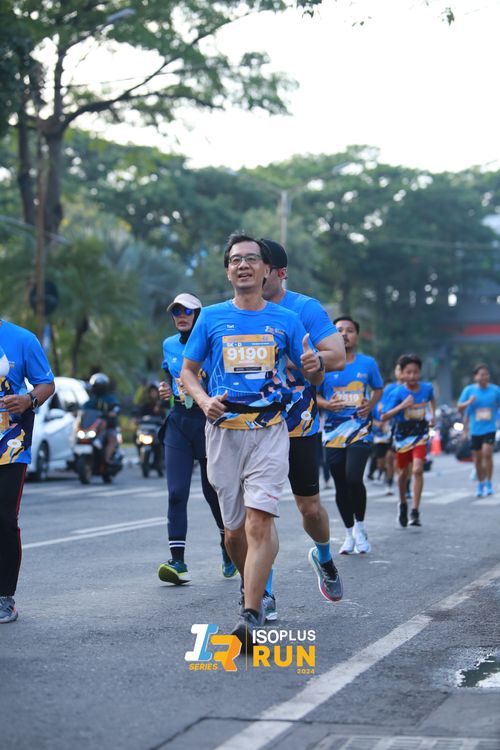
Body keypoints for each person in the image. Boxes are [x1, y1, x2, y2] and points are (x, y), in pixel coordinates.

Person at [181, 233, 328, 650]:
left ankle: (251, 611)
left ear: (266, 270)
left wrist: (314, 366)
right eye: (235, 260)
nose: (242, 265)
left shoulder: (287, 319)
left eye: (250, 259)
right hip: (223, 433)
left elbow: (313, 375)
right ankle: (252, 588)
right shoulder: (210, 318)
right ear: (228, 271)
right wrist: (203, 400)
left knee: (259, 521)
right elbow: (188, 371)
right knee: (233, 534)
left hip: (269, 431)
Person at [259, 239, 345, 613]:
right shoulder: (232, 314)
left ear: (279, 273)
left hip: (300, 425)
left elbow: (337, 355)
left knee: (310, 510)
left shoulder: (304, 308)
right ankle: (262, 593)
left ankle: (323, 557)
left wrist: (305, 360)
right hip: (253, 427)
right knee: (259, 512)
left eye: (262, 266)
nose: (253, 272)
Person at [157, 293, 236, 584]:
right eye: (176, 311)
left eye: (187, 311)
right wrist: (166, 389)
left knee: (212, 492)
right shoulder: (168, 344)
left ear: (198, 315)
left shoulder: (214, 344)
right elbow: (169, 375)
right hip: (178, 422)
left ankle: (228, 546)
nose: (181, 316)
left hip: (208, 422)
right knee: (176, 492)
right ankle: (177, 562)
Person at [0, 320, 55, 624]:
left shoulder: (22, 339)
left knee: (4, 519)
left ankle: (4, 597)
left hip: (10, 443)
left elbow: (46, 384)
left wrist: (27, 400)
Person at [317, 316, 383, 555]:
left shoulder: (368, 364)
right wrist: (327, 404)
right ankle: (348, 533)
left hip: (360, 430)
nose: (344, 334)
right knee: (340, 484)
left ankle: (360, 528)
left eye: (350, 330)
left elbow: (378, 388)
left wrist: (370, 405)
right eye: (339, 330)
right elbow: (313, 394)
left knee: (354, 478)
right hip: (333, 432)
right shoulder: (323, 363)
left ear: (357, 335)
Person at [381, 354, 436, 527]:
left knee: (418, 470)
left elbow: (431, 400)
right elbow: (384, 416)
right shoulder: (397, 392)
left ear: (420, 372)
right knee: (403, 474)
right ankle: (403, 503)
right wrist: (402, 405)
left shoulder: (427, 388)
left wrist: (433, 415)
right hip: (402, 437)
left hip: (420, 434)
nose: (412, 376)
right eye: (408, 372)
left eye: (415, 372)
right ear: (402, 374)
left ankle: (415, 511)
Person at [457, 364, 500, 497]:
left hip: (490, 428)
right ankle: (480, 483)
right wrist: (468, 402)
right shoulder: (469, 390)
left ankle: (488, 483)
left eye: (486, 374)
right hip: (475, 430)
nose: (484, 377)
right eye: (481, 375)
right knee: (478, 459)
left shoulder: (495, 390)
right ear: (475, 376)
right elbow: (460, 408)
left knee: (487, 454)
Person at [83, 373, 120, 464]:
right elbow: (84, 408)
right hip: (93, 427)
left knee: (112, 439)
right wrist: (76, 412)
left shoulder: (110, 398)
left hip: (109, 426)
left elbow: (116, 407)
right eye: (95, 386)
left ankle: (107, 460)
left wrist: (113, 412)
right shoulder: (92, 399)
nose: (95, 388)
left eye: (97, 386)